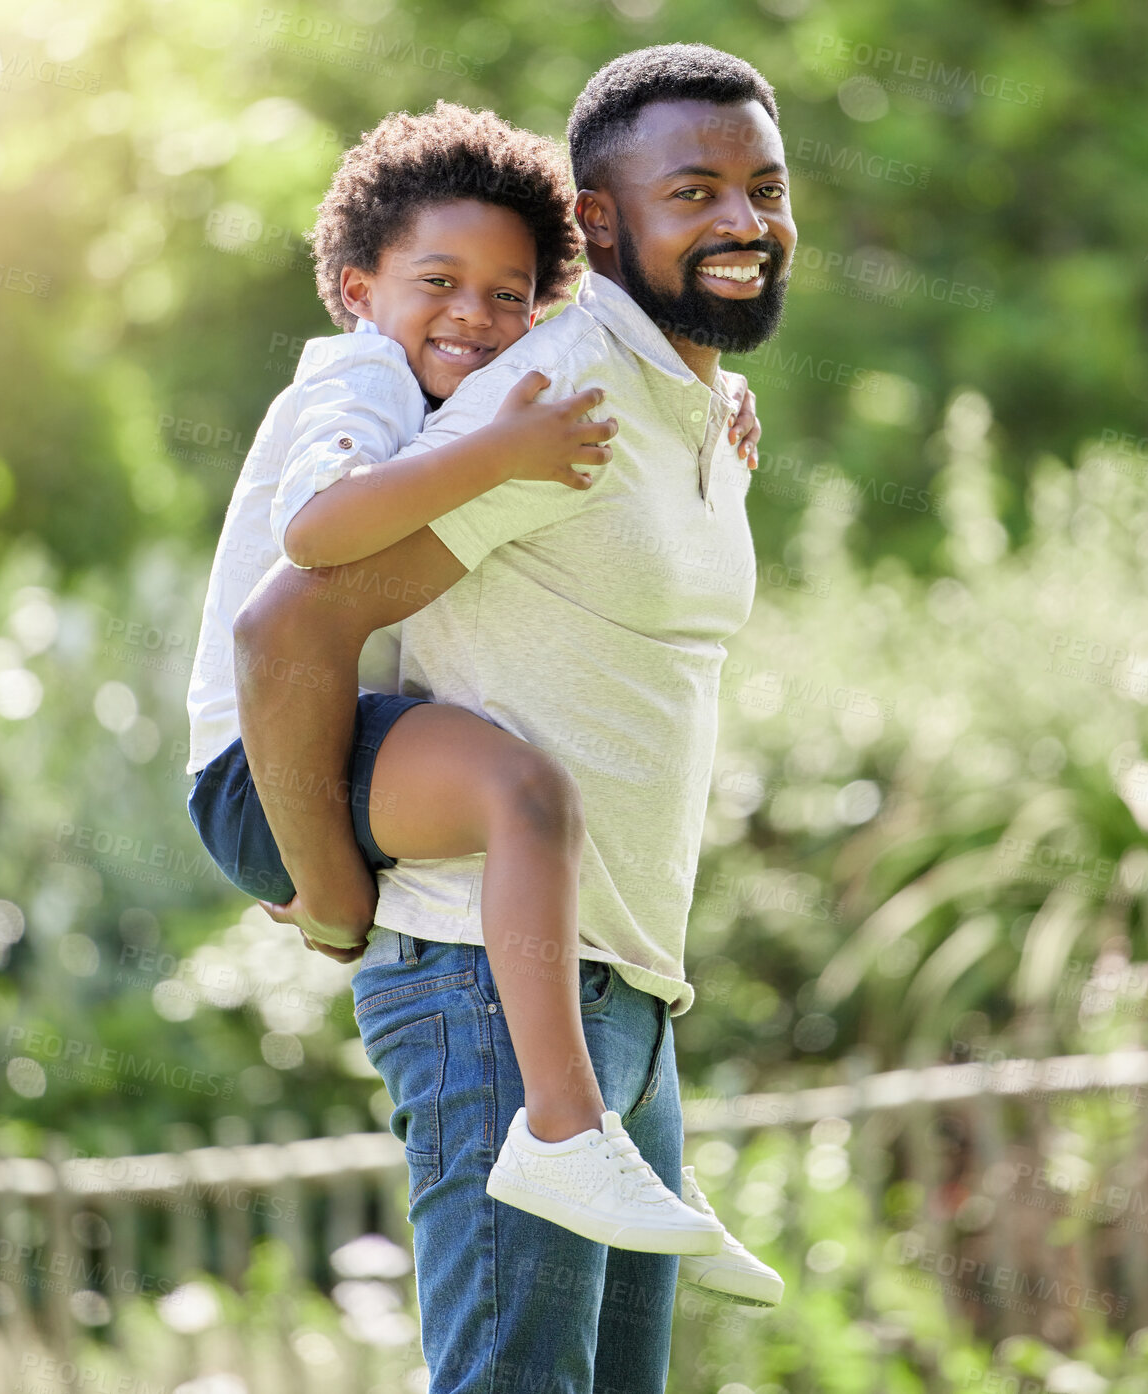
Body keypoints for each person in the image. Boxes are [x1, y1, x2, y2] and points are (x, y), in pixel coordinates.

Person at [233, 44, 797, 1389]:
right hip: (488, 989)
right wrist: (326, 887)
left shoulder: (686, 405)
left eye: (766, 189)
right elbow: (291, 619)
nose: (743, 221)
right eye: (695, 190)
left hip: (629, 997)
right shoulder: (552, 402)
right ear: (599, 221)